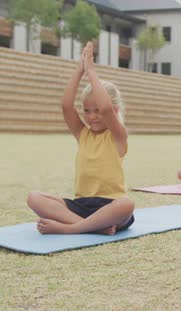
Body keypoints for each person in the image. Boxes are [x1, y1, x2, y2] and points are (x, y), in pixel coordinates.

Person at [27, 42, 134, 235]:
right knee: (33, 198)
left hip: (110, 206)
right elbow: (67, 107)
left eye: (97, 111)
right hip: (80, 206)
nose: (91, 116)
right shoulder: (83, 134)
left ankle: (72, 228)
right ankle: (93, 228)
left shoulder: (118, 135)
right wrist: (79, 70)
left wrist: (91, 71)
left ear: (114, 111)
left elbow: (107, 108)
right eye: (87, 111)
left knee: (127, 204)